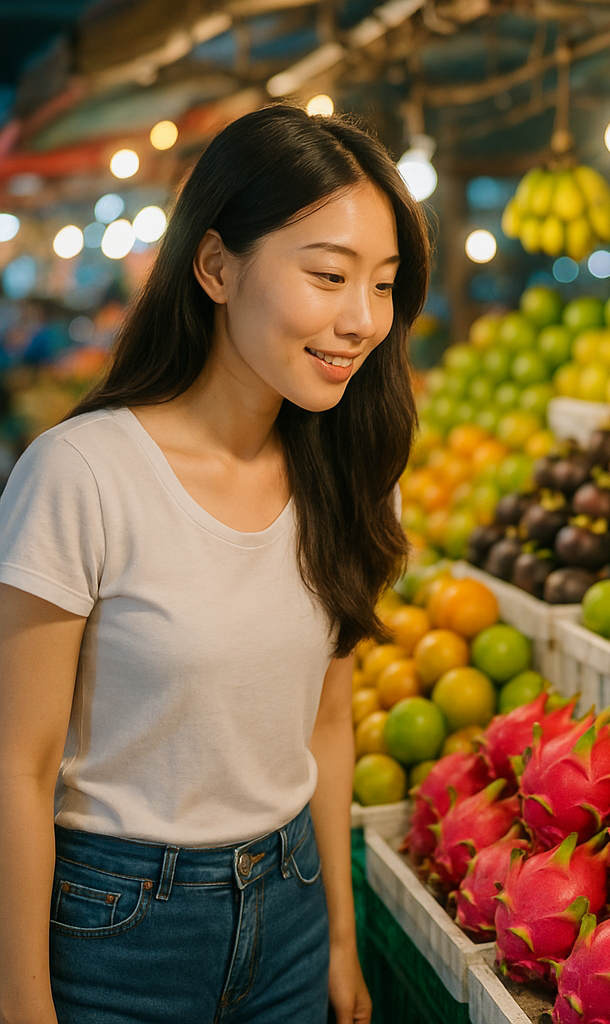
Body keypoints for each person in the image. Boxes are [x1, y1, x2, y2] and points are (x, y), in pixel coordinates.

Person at [0, 103, 430, 1024]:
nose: (361, 320)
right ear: (216, 266)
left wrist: (340, 940)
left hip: (292, 910)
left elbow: (324, 727)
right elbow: (17, 764)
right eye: (327, 275)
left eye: (384, 285)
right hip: (114, 931)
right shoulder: (82, 474)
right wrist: (21, 1000)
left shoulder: (352, 476)